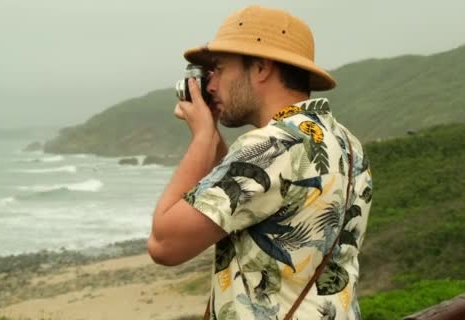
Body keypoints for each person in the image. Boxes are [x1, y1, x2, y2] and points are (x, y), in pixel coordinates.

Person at [148, 5, 372, 320]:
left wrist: (201, 138)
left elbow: (164, 244)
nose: (211, 85)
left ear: (261, 68)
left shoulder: (270, 146)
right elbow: (244, 198)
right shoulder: (345, 142)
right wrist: (212, 134)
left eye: (220, 69)